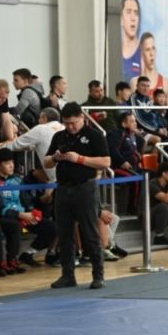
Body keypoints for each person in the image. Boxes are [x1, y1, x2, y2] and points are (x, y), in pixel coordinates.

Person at [44, 102, 111, 290]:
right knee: (64, 234)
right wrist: (56, 157)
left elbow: (106, 162)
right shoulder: (59, 136)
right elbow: (46, 162)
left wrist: (79, 159)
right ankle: (68, 275)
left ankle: (98, 275)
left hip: (85, 188)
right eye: (66, 123)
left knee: (90, 233)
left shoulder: (94, 135)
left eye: (73, 123)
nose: (70, 127)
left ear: (82, 117)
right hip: (63, 188)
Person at [130, 33, 168, 101]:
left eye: (153, 48)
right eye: (147, 49)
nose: (151, 54)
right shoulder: (134, 82)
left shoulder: (165, 83)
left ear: (156, 51)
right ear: (141, 53)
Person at [120, 0, 143, 81]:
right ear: (121, 18)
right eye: (128, 12)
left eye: (136, 13)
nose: (133, 18)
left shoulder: (143, 52)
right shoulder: (114, 49)